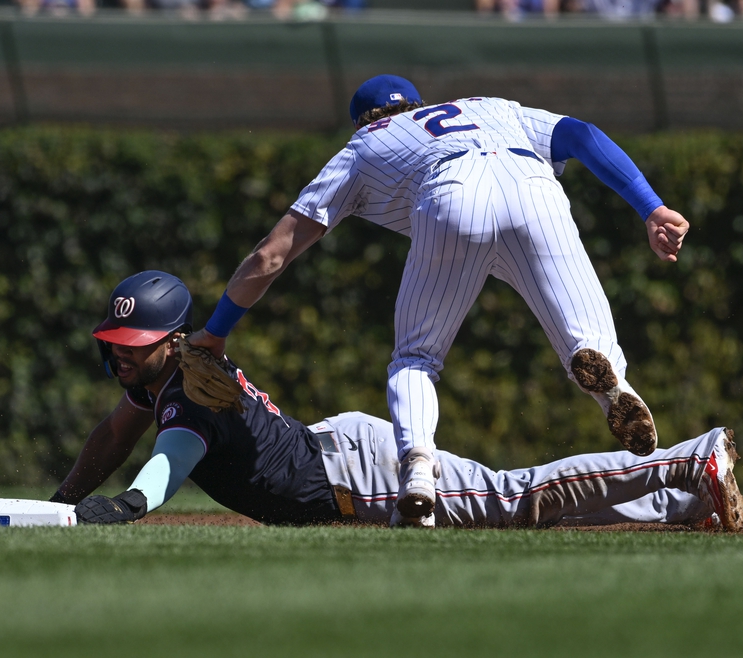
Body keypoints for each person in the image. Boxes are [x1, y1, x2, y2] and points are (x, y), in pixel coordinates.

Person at [188, 74, 691, 527]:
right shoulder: (490, 106)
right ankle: (612, 386)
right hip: (535, 188)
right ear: (418, 103)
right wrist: (652, 207)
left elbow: (271, 255)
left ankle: (418, 474)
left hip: (451, 199)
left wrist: (215, 331)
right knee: (590, 340)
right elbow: (581, 134)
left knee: (416, 359)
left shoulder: (365, 143)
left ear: (363, 118)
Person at [53, 271, 743, 532]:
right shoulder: (171, 375)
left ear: (169, 341)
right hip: (339, 453)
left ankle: (689, 461)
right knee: (510, 502)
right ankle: (683, 502)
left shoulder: (186, 396)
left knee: (513, 497)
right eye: (112, 339)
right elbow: (117, 433)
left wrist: (131, 504)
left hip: (357, 482)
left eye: (131, 340)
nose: (118, 350)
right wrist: (65, 495)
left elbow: (171, 454)